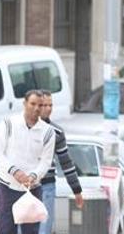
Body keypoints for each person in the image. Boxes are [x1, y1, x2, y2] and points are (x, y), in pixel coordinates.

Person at [0, 90, 56, 234]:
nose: (36, 108)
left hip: (32, 190)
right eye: (32, 104)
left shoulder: (48, 132)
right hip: (7, 188)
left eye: (40, 105)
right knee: (6, 230)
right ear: (25, 104)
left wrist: (33, 176)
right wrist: (14, 171)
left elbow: (46, 162)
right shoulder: (8, 124)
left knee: (31, 232)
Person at [38, 90, 84, 234]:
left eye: (50, 105)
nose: (48, 108)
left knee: (44, 230)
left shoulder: (57, 132)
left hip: (47, 187)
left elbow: (66, 163)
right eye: (44, 105)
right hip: (25, 187)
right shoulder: (23, 128)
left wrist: (77, 190)